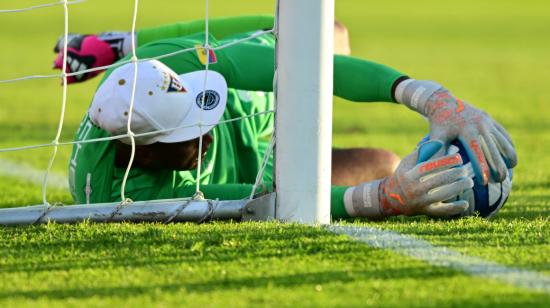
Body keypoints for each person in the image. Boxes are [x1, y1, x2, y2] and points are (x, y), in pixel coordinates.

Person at [58, 16, 517, 220]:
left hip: (256, 103)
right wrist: (384, 199)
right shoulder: (132, 198)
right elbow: (264, 197)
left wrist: (429, 97)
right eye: (188, 134)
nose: (207, 130)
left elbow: (297, 58)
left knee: (329, 34)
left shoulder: (157, 69)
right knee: (386, 164)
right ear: (146, 153)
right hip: (260, 167)